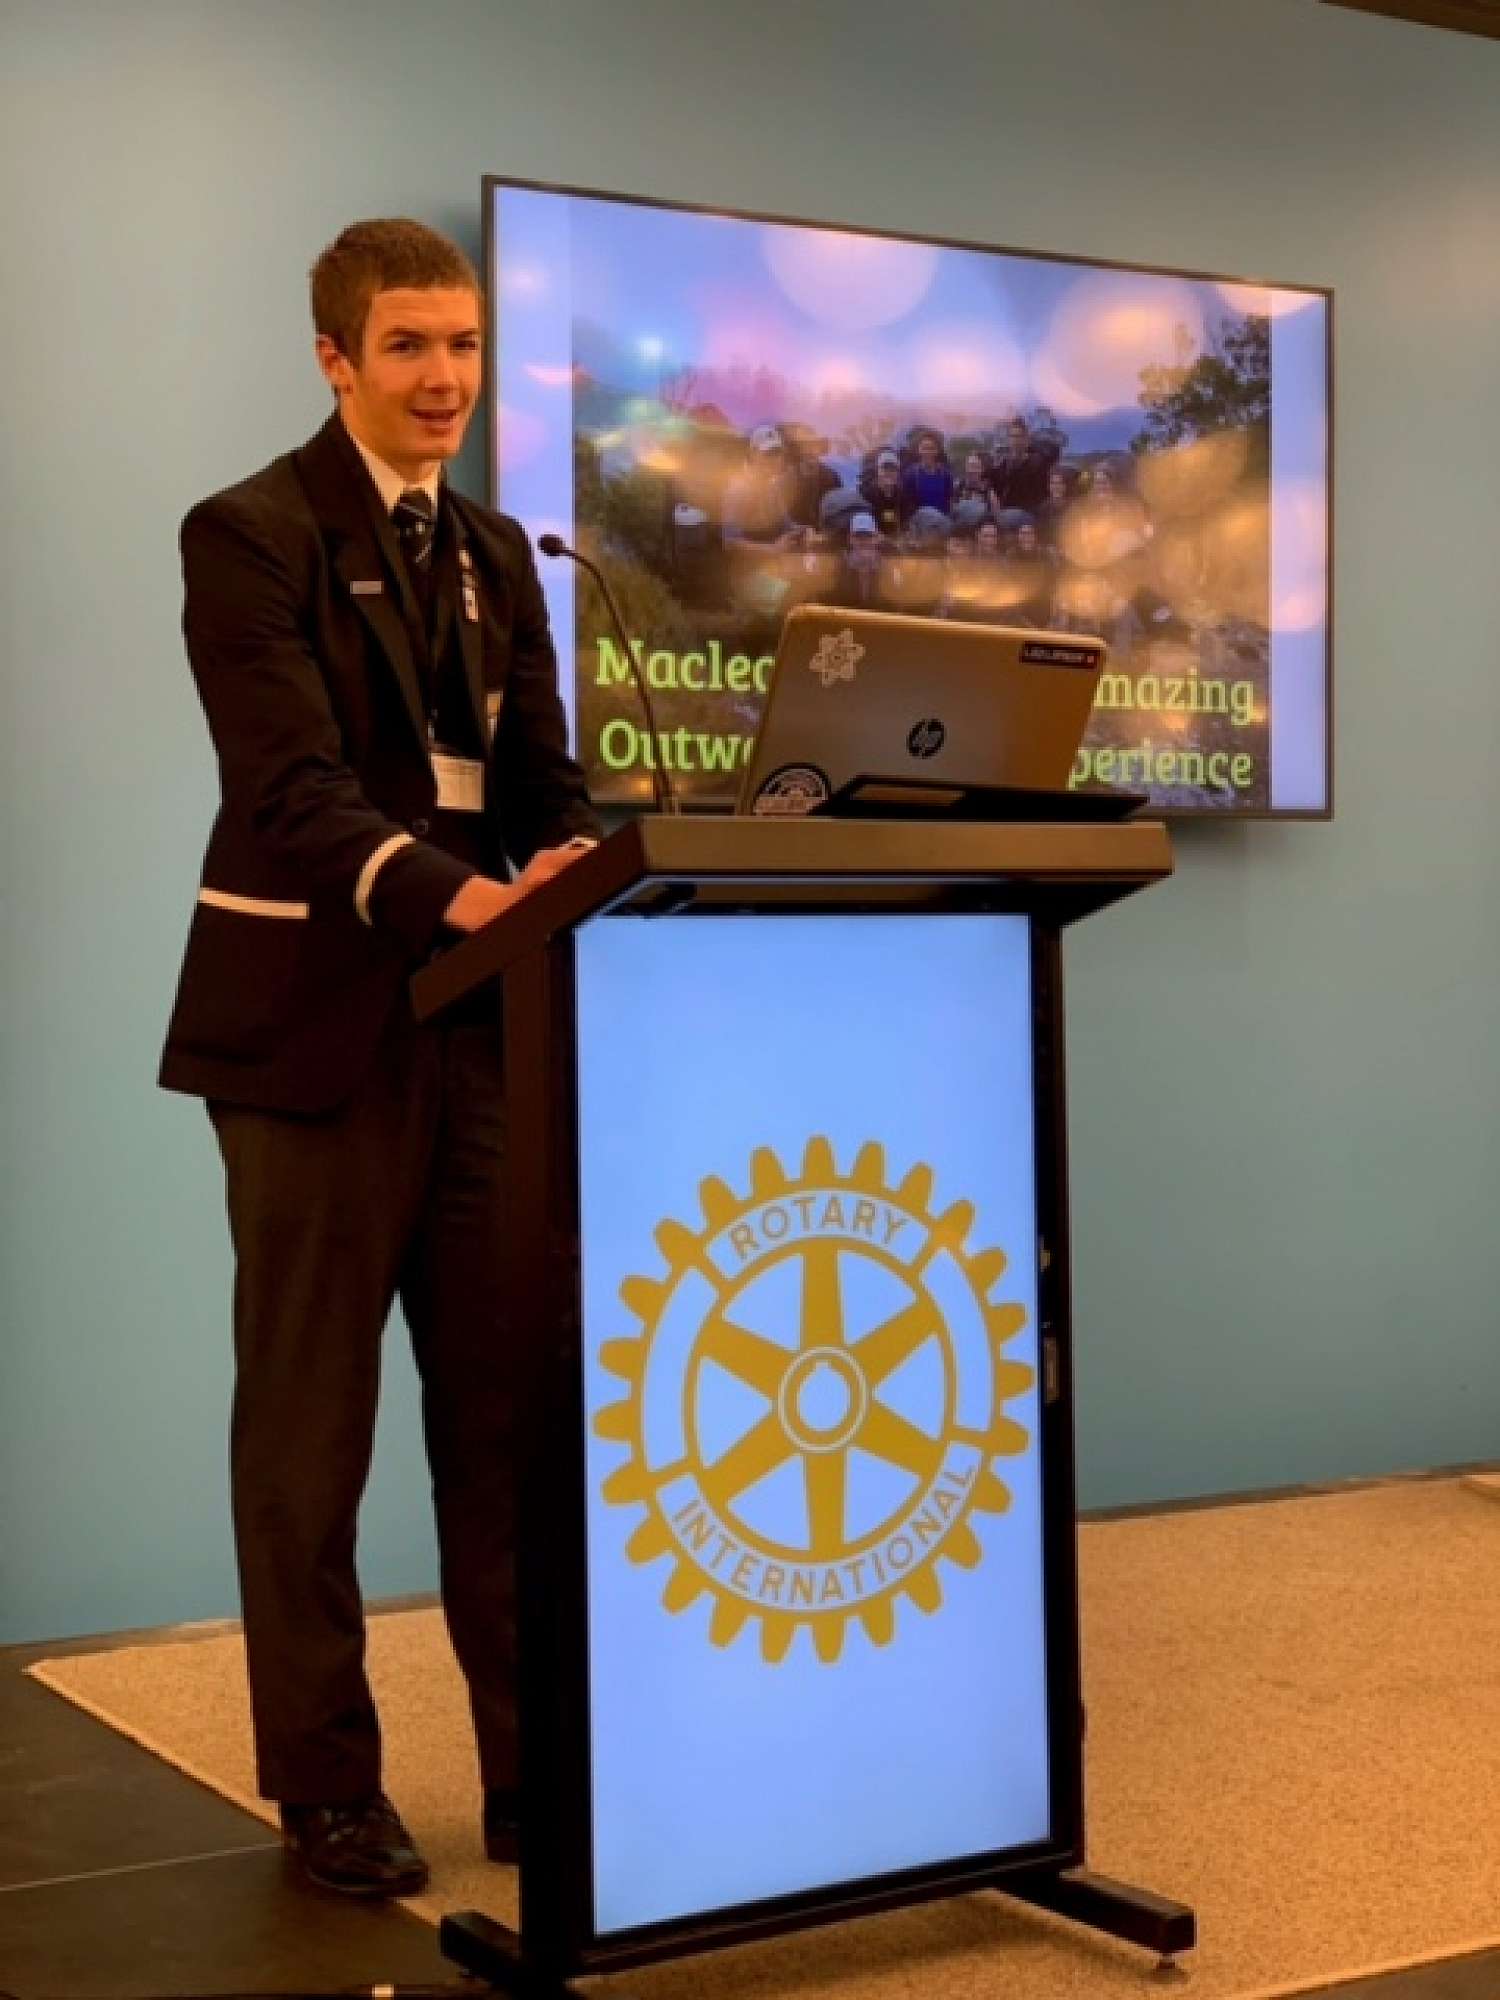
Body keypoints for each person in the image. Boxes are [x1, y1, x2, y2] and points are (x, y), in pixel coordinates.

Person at [158, 219, 603, 1899]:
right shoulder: (248, 532)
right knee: (309, 1435)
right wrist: (462, 895)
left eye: (464, 347)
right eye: (409, 346)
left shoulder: (497, 552)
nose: (444, 380)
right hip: (311, 1035)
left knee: (503, 1420)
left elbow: (540, 783)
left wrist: (575, 864)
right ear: (335, 358)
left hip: (482, 1034)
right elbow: (290, 790)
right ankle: (328, 1789)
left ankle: (532, 1774)